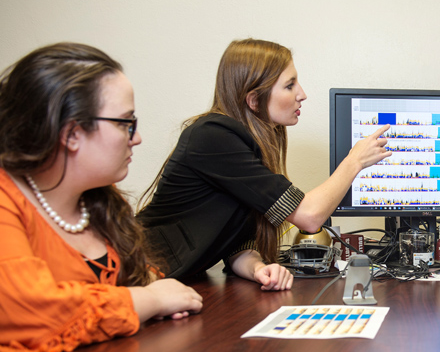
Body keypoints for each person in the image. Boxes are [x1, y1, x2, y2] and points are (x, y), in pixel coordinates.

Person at [0, 43, 203, 352]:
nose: (136, 138)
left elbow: (141, 277)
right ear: (72, 133)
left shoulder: (100, 199)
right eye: (126, 123)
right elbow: (26, 312)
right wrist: (149, 301)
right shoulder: (5, 200)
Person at [137, 38, 390, 289]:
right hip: (135, 273)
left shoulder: (243, 143)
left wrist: (258, 268)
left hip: (168, 282)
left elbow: (237, 246)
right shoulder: (213, 135)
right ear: (254, 100)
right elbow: (310, 216)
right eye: (290, 86)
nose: (302, 94)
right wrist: (354, 160)